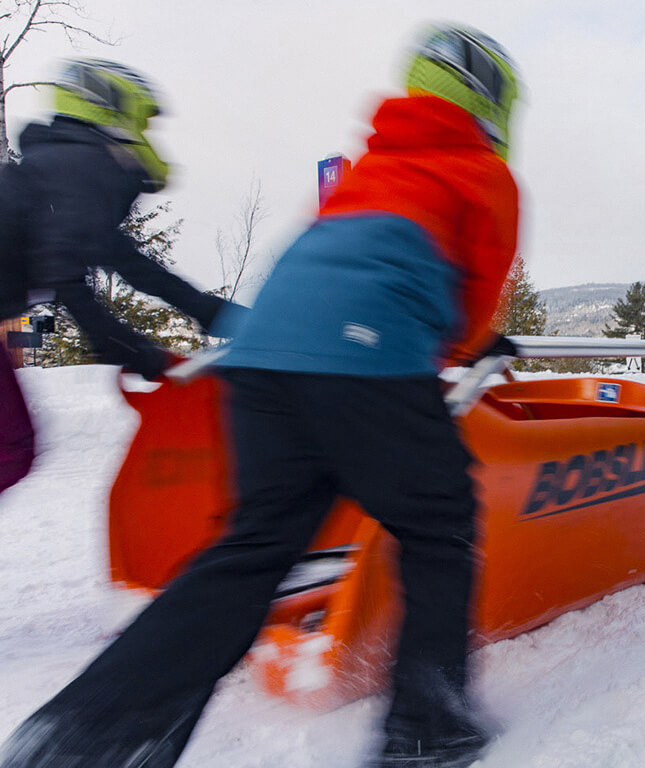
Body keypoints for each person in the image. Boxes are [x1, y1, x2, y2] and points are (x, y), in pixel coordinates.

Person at [0, 23, 521, 768]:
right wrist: (465, 349)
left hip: (265, 365)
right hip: (363, 356)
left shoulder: (369, 170)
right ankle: (428, 727)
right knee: (438, 524)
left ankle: (87, 734)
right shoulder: (481, 174)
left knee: (252, 549)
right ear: (493, 103)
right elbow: (468, 307)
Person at [0, 58, 237, 495]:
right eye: (142, 122)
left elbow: (121, 259)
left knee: (10, 448)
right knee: (8, 449)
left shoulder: (60, 162)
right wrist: (133, 348)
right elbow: (68, 276)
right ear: (112, 107)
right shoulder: (82, 163)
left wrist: (214, 313)